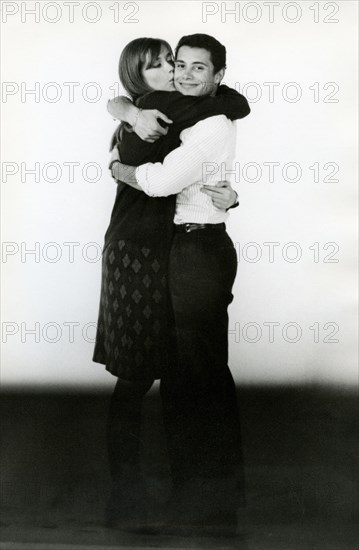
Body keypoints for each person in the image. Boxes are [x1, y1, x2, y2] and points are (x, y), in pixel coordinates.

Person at [92, 36, 250, 533]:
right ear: (139, 79)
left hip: (180, 252)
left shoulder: (185, 115)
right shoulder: (145, 118)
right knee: (145, 376)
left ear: (215, 74)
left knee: (191, 375)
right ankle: (132, 496)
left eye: (184, 65)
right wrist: (123, 126)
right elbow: (157, 175)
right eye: (166, 65)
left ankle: (206, 498)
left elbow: (229, 107)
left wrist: (229, 196)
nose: (177, 73)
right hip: (139, 253)